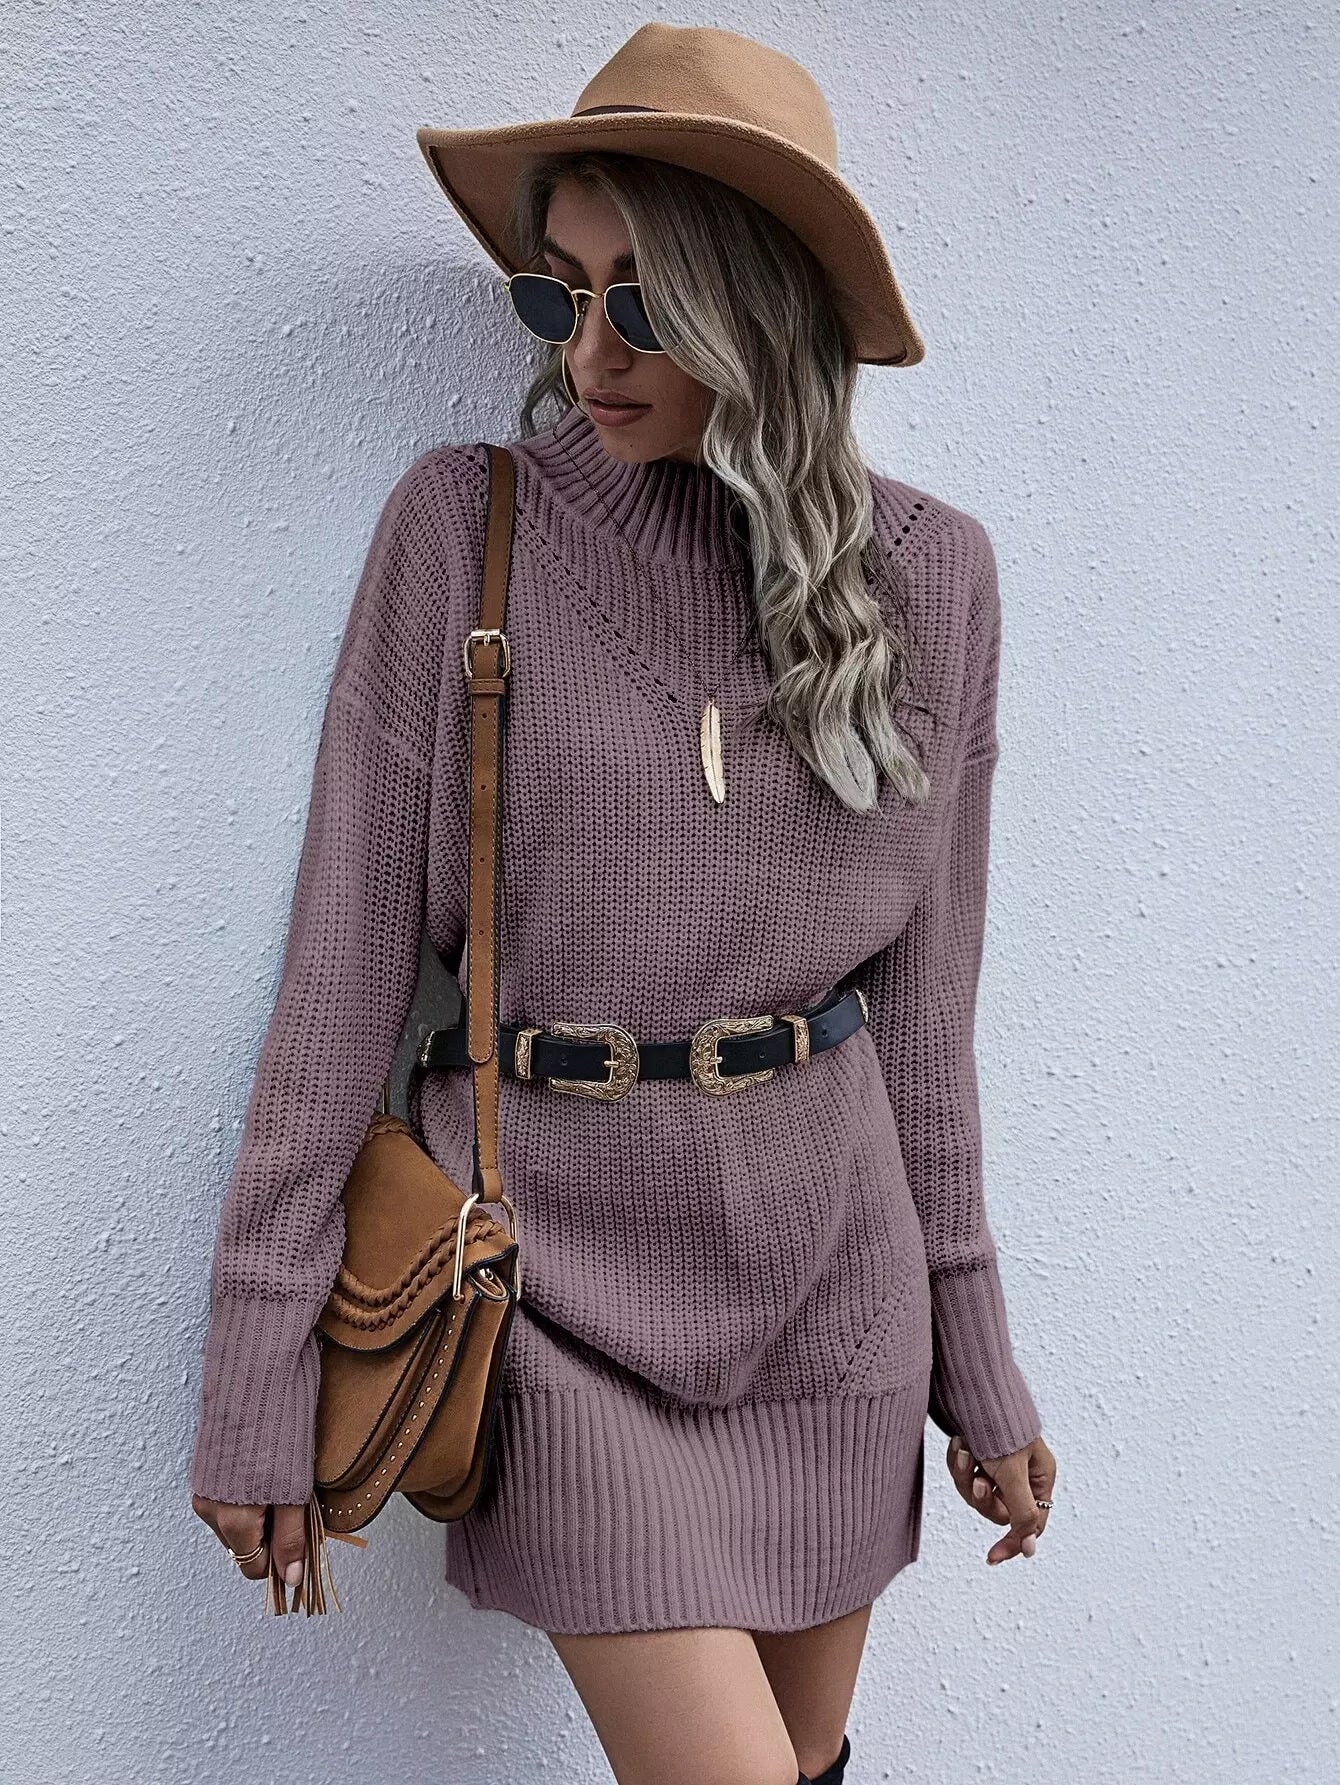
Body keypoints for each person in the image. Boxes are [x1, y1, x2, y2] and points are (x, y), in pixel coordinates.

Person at [189, 22, 1057, 1785]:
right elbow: (339, 981)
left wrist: (975, 1355)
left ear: (764, 310)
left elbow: (926, 1030)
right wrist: (259, 1352)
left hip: (832, 1291)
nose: (587, 353)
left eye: (645, 305)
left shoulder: (936, 581)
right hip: (555, 1287)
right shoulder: (464, 530)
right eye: (560, 293)